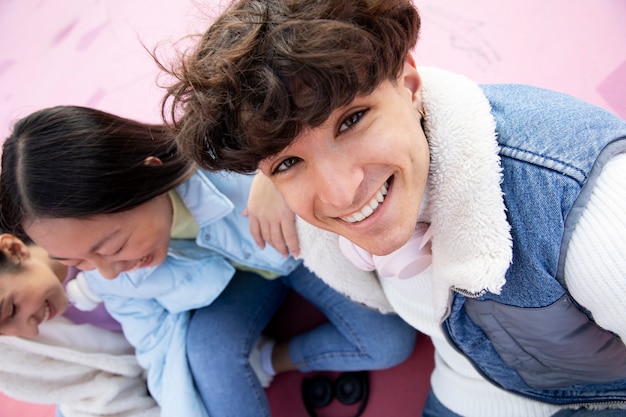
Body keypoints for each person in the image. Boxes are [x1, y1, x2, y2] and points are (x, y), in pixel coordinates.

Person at [161, 0, 626, 416]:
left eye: (352, 120)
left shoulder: (587, 201)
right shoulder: (309, 201)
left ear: (408, 83)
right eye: (289, 162)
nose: (342, 194)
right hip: (475, 380)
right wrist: (271, 170)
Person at [0, 105, 417, 417]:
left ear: (145, 175)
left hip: (296, 254)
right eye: (78, 262)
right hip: (232, 287)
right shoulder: (109, 277)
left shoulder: (222, 156)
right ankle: (261, 359)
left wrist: (275, 170)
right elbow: (156, 347)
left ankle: (270, 357)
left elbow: (308, 113)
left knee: (387, 342)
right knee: (207, 358)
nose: (109, 271)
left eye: (112, 245)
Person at [0, 232, 159, 417]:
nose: (30, 330)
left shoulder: (101, 238)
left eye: (11, 309)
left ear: (14, 250)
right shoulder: (20, 349)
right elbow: (91, 396)